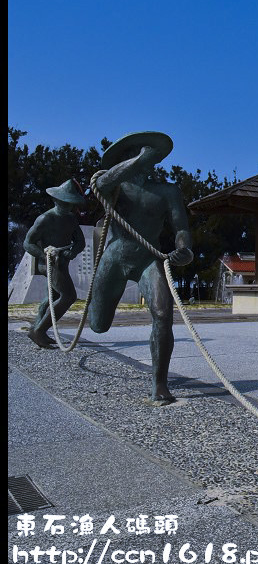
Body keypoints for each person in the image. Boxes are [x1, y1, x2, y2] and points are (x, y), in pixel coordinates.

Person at [87, 132, 194, 405]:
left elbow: (180, 227)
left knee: (163, 314)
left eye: (149, 154)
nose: (147, 159)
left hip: (149, 259)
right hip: (115, 257)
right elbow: (102, 182)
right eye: (137, 153)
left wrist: (184, 248)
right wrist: (138, 160)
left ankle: (160, 384)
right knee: (98, 325)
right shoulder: (114, 186)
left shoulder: (167, 192)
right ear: (127, 158)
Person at [22, 179, 87, 348]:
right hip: (49, 264)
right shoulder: (45, 219)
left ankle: (36, 330)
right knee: (68, 296)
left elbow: (80, 242)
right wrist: (45, 256)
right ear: (56, 200)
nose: (67, 206)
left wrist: (71, 252)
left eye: (70, 203)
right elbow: (28, 243)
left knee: (53, 297)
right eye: (64, 201)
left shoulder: (71, 220)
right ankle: (39, 331)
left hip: (62, 262)